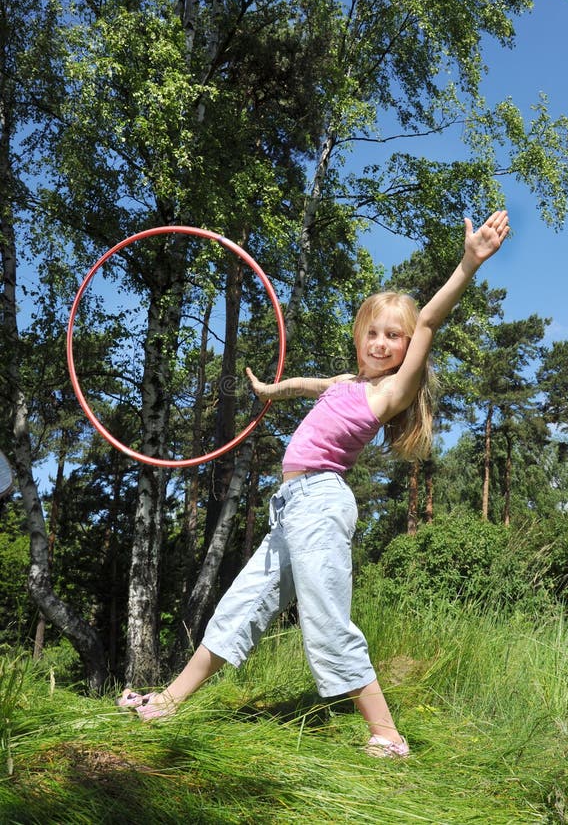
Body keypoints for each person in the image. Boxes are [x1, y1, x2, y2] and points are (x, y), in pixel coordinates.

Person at [117, 210, 509, 759]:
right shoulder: (350, 382)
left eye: (392, 337)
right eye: (372, 332)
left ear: (404, 349)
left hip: (322, 502)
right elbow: (310, 386)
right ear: (359, 337)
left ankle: (387, 735)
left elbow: (429, 324)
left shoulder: (390, 393)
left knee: (326, 618)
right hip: (291, 507)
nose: (380, 343)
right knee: (238, 610)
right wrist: (270, 390)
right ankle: (167, 703)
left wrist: (468, 264)